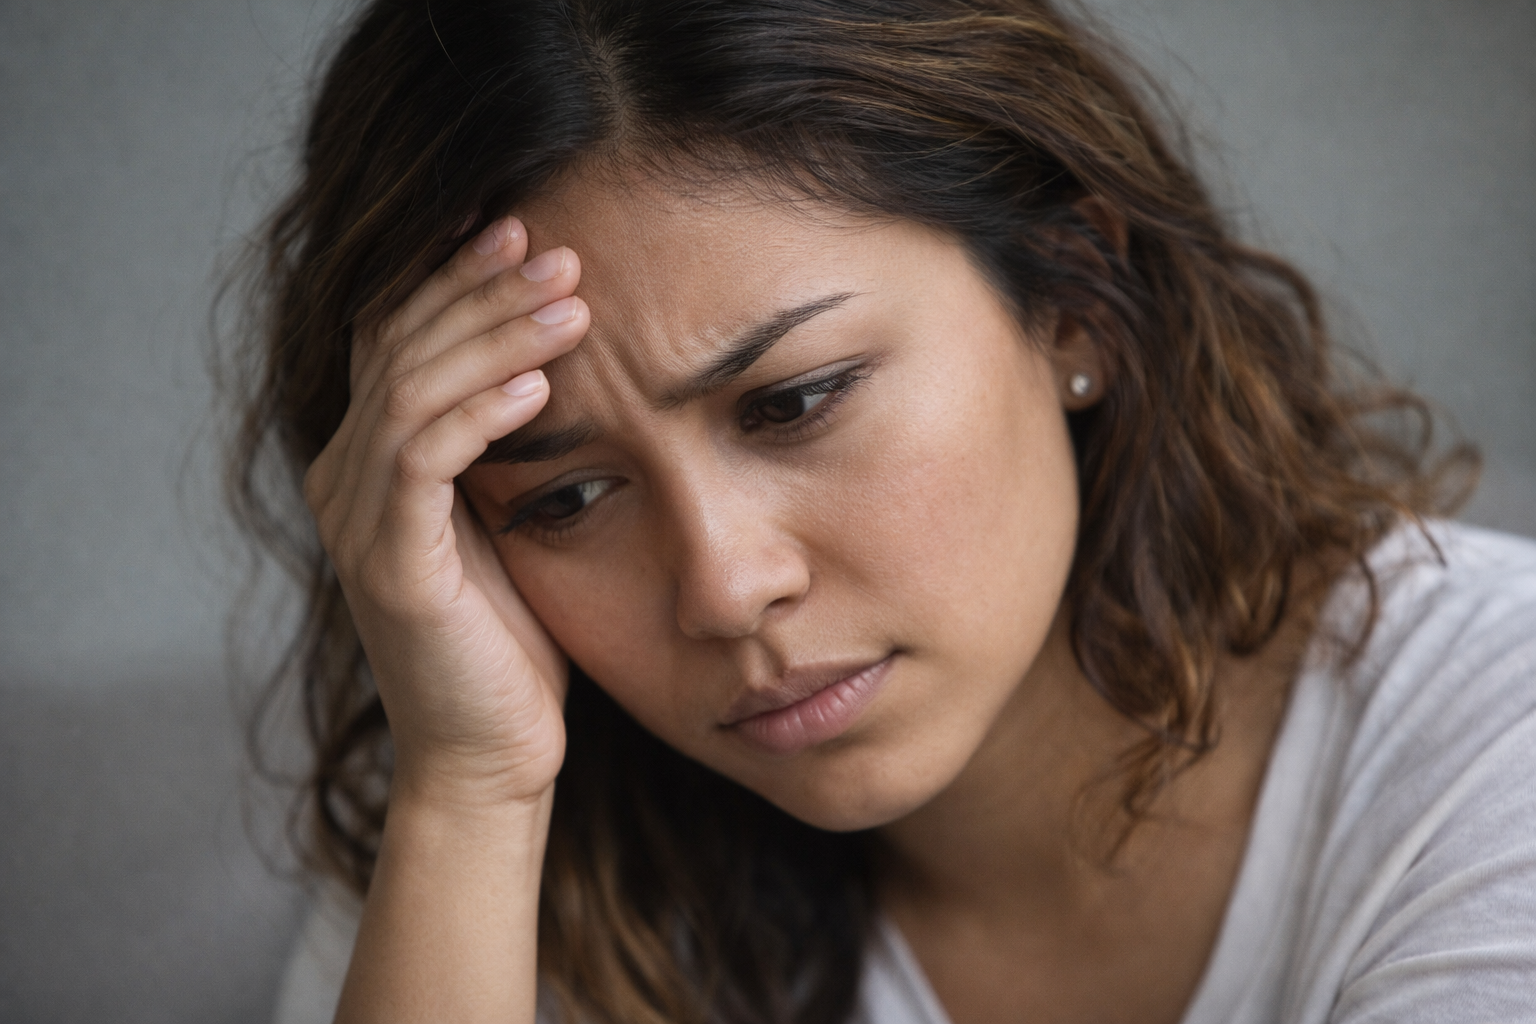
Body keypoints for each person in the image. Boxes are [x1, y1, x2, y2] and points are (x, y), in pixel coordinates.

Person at [228, 0, 1536, 1021]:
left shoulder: (1494, 743)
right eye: (564, 496)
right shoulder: (495, 852)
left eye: (793, 403)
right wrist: (465, 799)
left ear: (1075, 298)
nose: (725, 589)